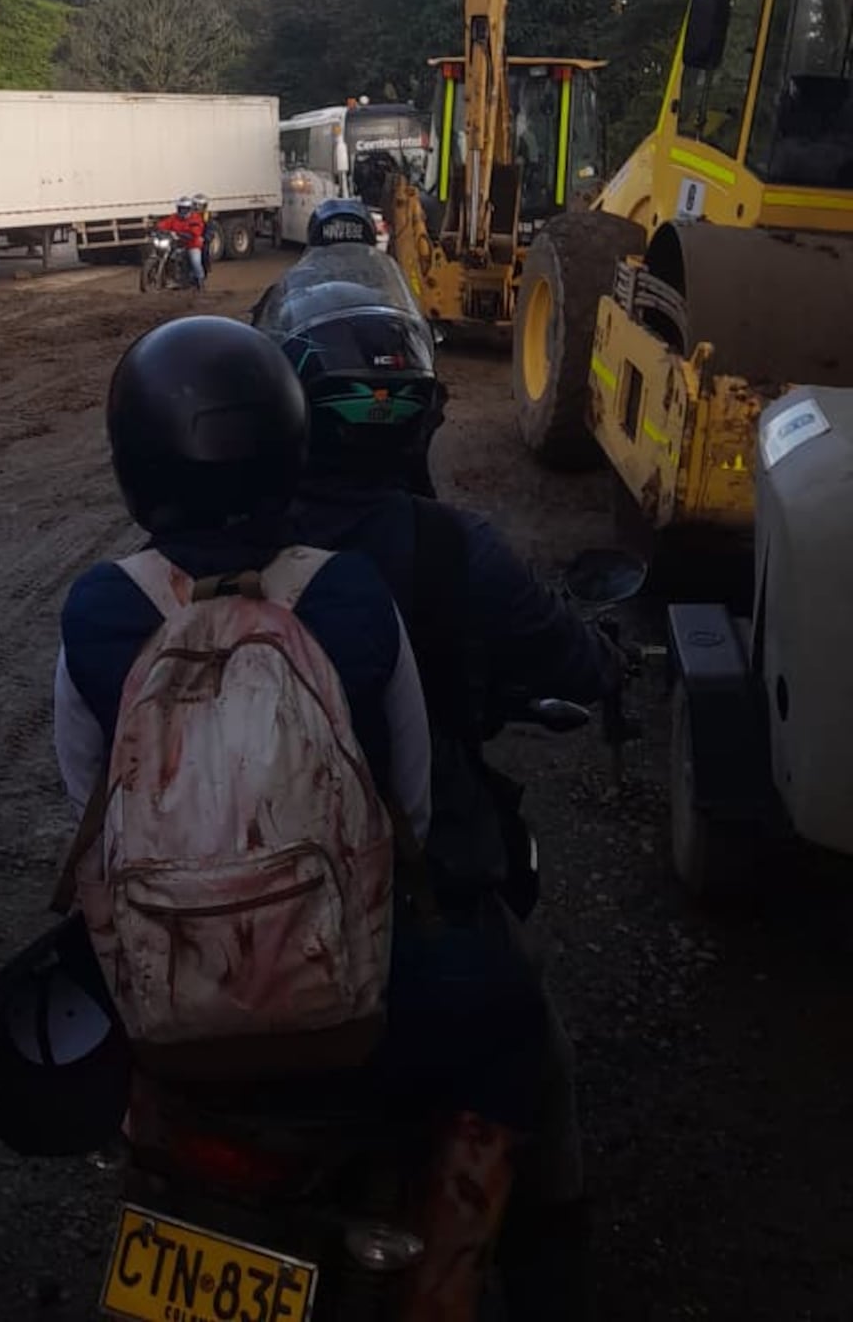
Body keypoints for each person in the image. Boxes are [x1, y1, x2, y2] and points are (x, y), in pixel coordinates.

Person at [54, 317, 549, 1309]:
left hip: (163, 1011)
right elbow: (402, 804)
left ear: (131, 465)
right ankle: (443, 1279)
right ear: (290, 450)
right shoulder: (352, 593)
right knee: (509, 1022)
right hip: (351, 1007)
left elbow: (86, 806)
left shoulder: (97, 609)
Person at [251, 258, 623, 1320]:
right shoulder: (448, 549)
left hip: (221, 919)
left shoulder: (204, 553)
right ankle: (517, 1272)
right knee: (527, 1052)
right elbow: (567, 656)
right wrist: (606, 669)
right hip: (405, 924)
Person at [153, 195, 205, 291]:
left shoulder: (195, 218)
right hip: (177, 243)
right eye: (180, 208)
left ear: (189, 209)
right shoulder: (174, 217)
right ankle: (170, 279)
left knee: (195, 261)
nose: (182, 211)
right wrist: (156, 227)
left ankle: (200, 282)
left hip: (192, 244)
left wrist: (186, 234)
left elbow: (196, 231)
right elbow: (165, 223)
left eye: (184, 209)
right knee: (169, 255)